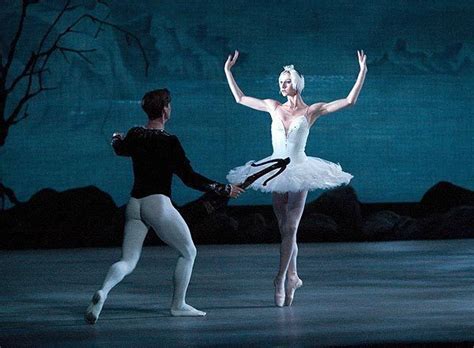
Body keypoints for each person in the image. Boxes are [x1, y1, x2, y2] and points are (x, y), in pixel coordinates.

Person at [85, 88, 244, 324]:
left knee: (128, 261)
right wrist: (223, 189)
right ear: (164, 110)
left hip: (134, 204)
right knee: (189, 252)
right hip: (157, 204)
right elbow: (189, 177)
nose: (171, 107)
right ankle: (178, 305)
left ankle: (104, 292)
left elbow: (119, 148)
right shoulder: (170, 142)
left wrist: (116, 138)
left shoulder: (136, 134)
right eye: (169, 104)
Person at [224, 50, 367, 307]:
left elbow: (348, 101)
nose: (282, 85)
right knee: (285, 229)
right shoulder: (272, 106)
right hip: (274, 170)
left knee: (291, 227)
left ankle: (279, 278)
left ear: (297, 83)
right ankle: (293, 276)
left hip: (299, 169)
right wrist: (228, 71)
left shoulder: (311, 111)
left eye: (287, 81)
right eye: (280, 82)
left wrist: (362, 73)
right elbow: (241, 98)